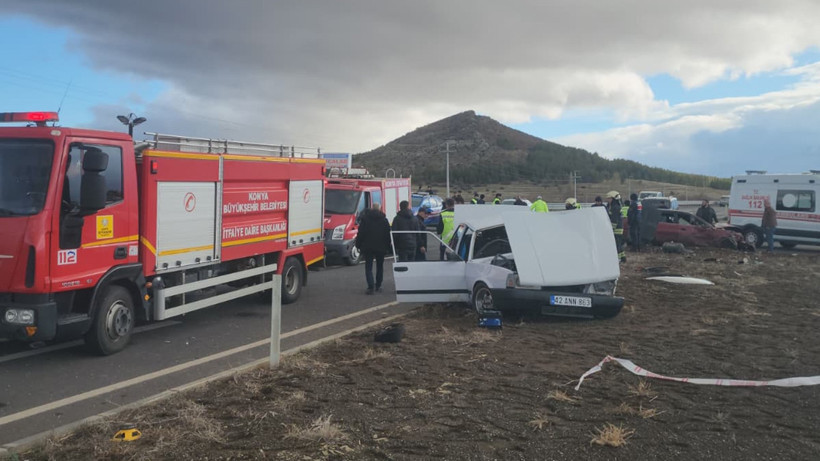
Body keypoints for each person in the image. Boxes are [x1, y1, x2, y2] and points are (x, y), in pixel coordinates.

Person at [354, 203, 391, 294]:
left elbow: (361, 233)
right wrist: (387, 246)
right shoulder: (384, 220)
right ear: (380, 209)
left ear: (371, 208)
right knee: (380, 266)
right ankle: (378, 285)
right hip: (381, 247)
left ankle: (370, 287)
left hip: (368, 247)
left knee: (368, 267)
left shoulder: (365, 219)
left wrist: (358, 245)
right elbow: (387, 235)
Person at [606, 191, 626, 263]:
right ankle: (623, 257)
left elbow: (615, 220)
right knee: (619, 244)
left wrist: (611, 229)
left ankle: (619, 259)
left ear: (613, 199)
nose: (608, 200)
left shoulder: (615, 207)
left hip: (617, 229)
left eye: (609, 198)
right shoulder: (613, 206)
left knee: (617, 244)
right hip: (618, 228)